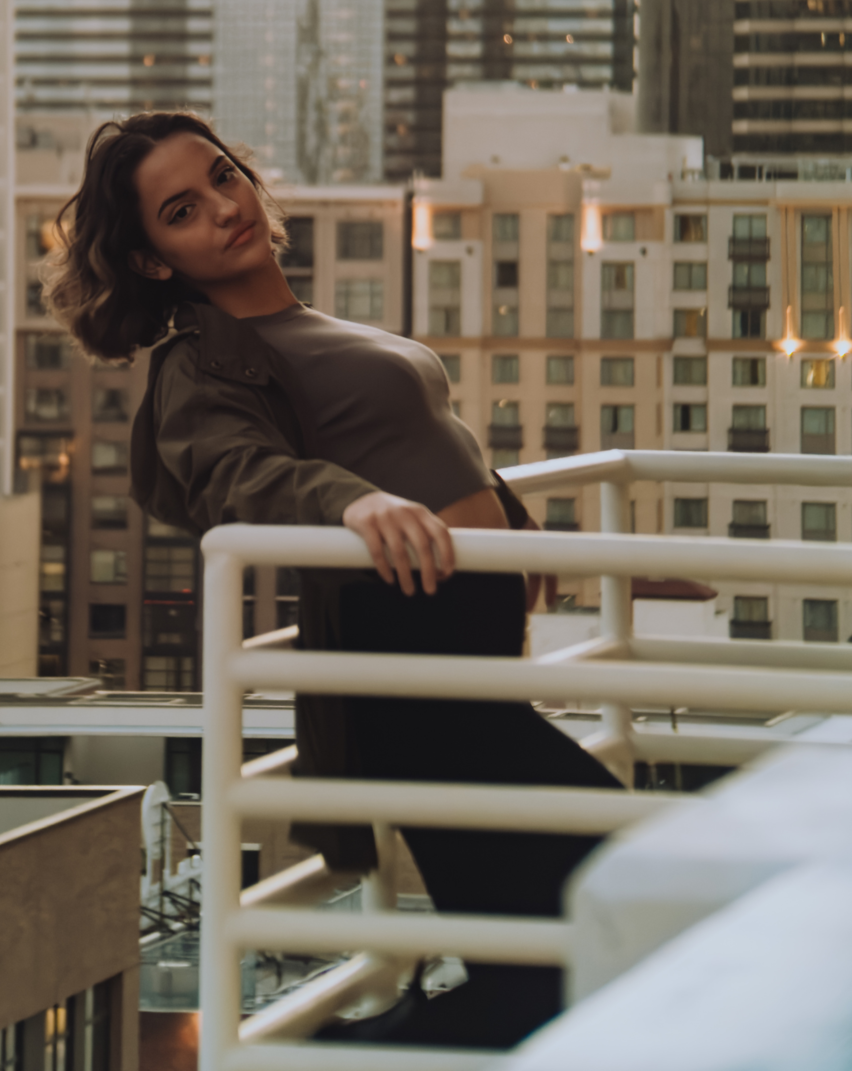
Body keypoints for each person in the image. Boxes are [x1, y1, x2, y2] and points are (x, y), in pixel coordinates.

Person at [46, 110, 619, 1049]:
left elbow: (419, 443)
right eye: (183, 209)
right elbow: (237, 472)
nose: (225, 207)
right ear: (155, 260)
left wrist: (516, 527)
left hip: (475, 677)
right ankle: (334, 1054)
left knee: (543, 960)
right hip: (409, 675)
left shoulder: (304, 324)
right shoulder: (200, 362)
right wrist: (351, 503)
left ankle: (362, 1046)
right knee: (599, 903)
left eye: (224, 176)